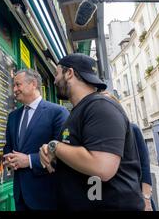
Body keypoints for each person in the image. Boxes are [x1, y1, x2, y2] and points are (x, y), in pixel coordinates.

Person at [39, 53, 144, 211]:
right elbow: (76, 155)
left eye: (56, 73)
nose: (54, 80)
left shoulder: (100, 107)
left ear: (69, 73)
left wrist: (54, 146)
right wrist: (51, 154)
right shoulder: (81, 110)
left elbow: (102, 167)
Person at [3, 69, 69, 211]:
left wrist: (29, 160)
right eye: (14, 85)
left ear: (33, 84)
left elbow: (64, 153)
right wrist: (10, 159)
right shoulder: (13, 116)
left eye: (18, 85)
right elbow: (8, 146)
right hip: (20, 196)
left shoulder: (58, 112)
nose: (14, 89)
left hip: (46, 196)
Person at [100, 91, 155, 211]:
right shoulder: (98, 134)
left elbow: (145, 166)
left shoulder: (133, 128)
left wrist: (146, 199)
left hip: (137, 196)